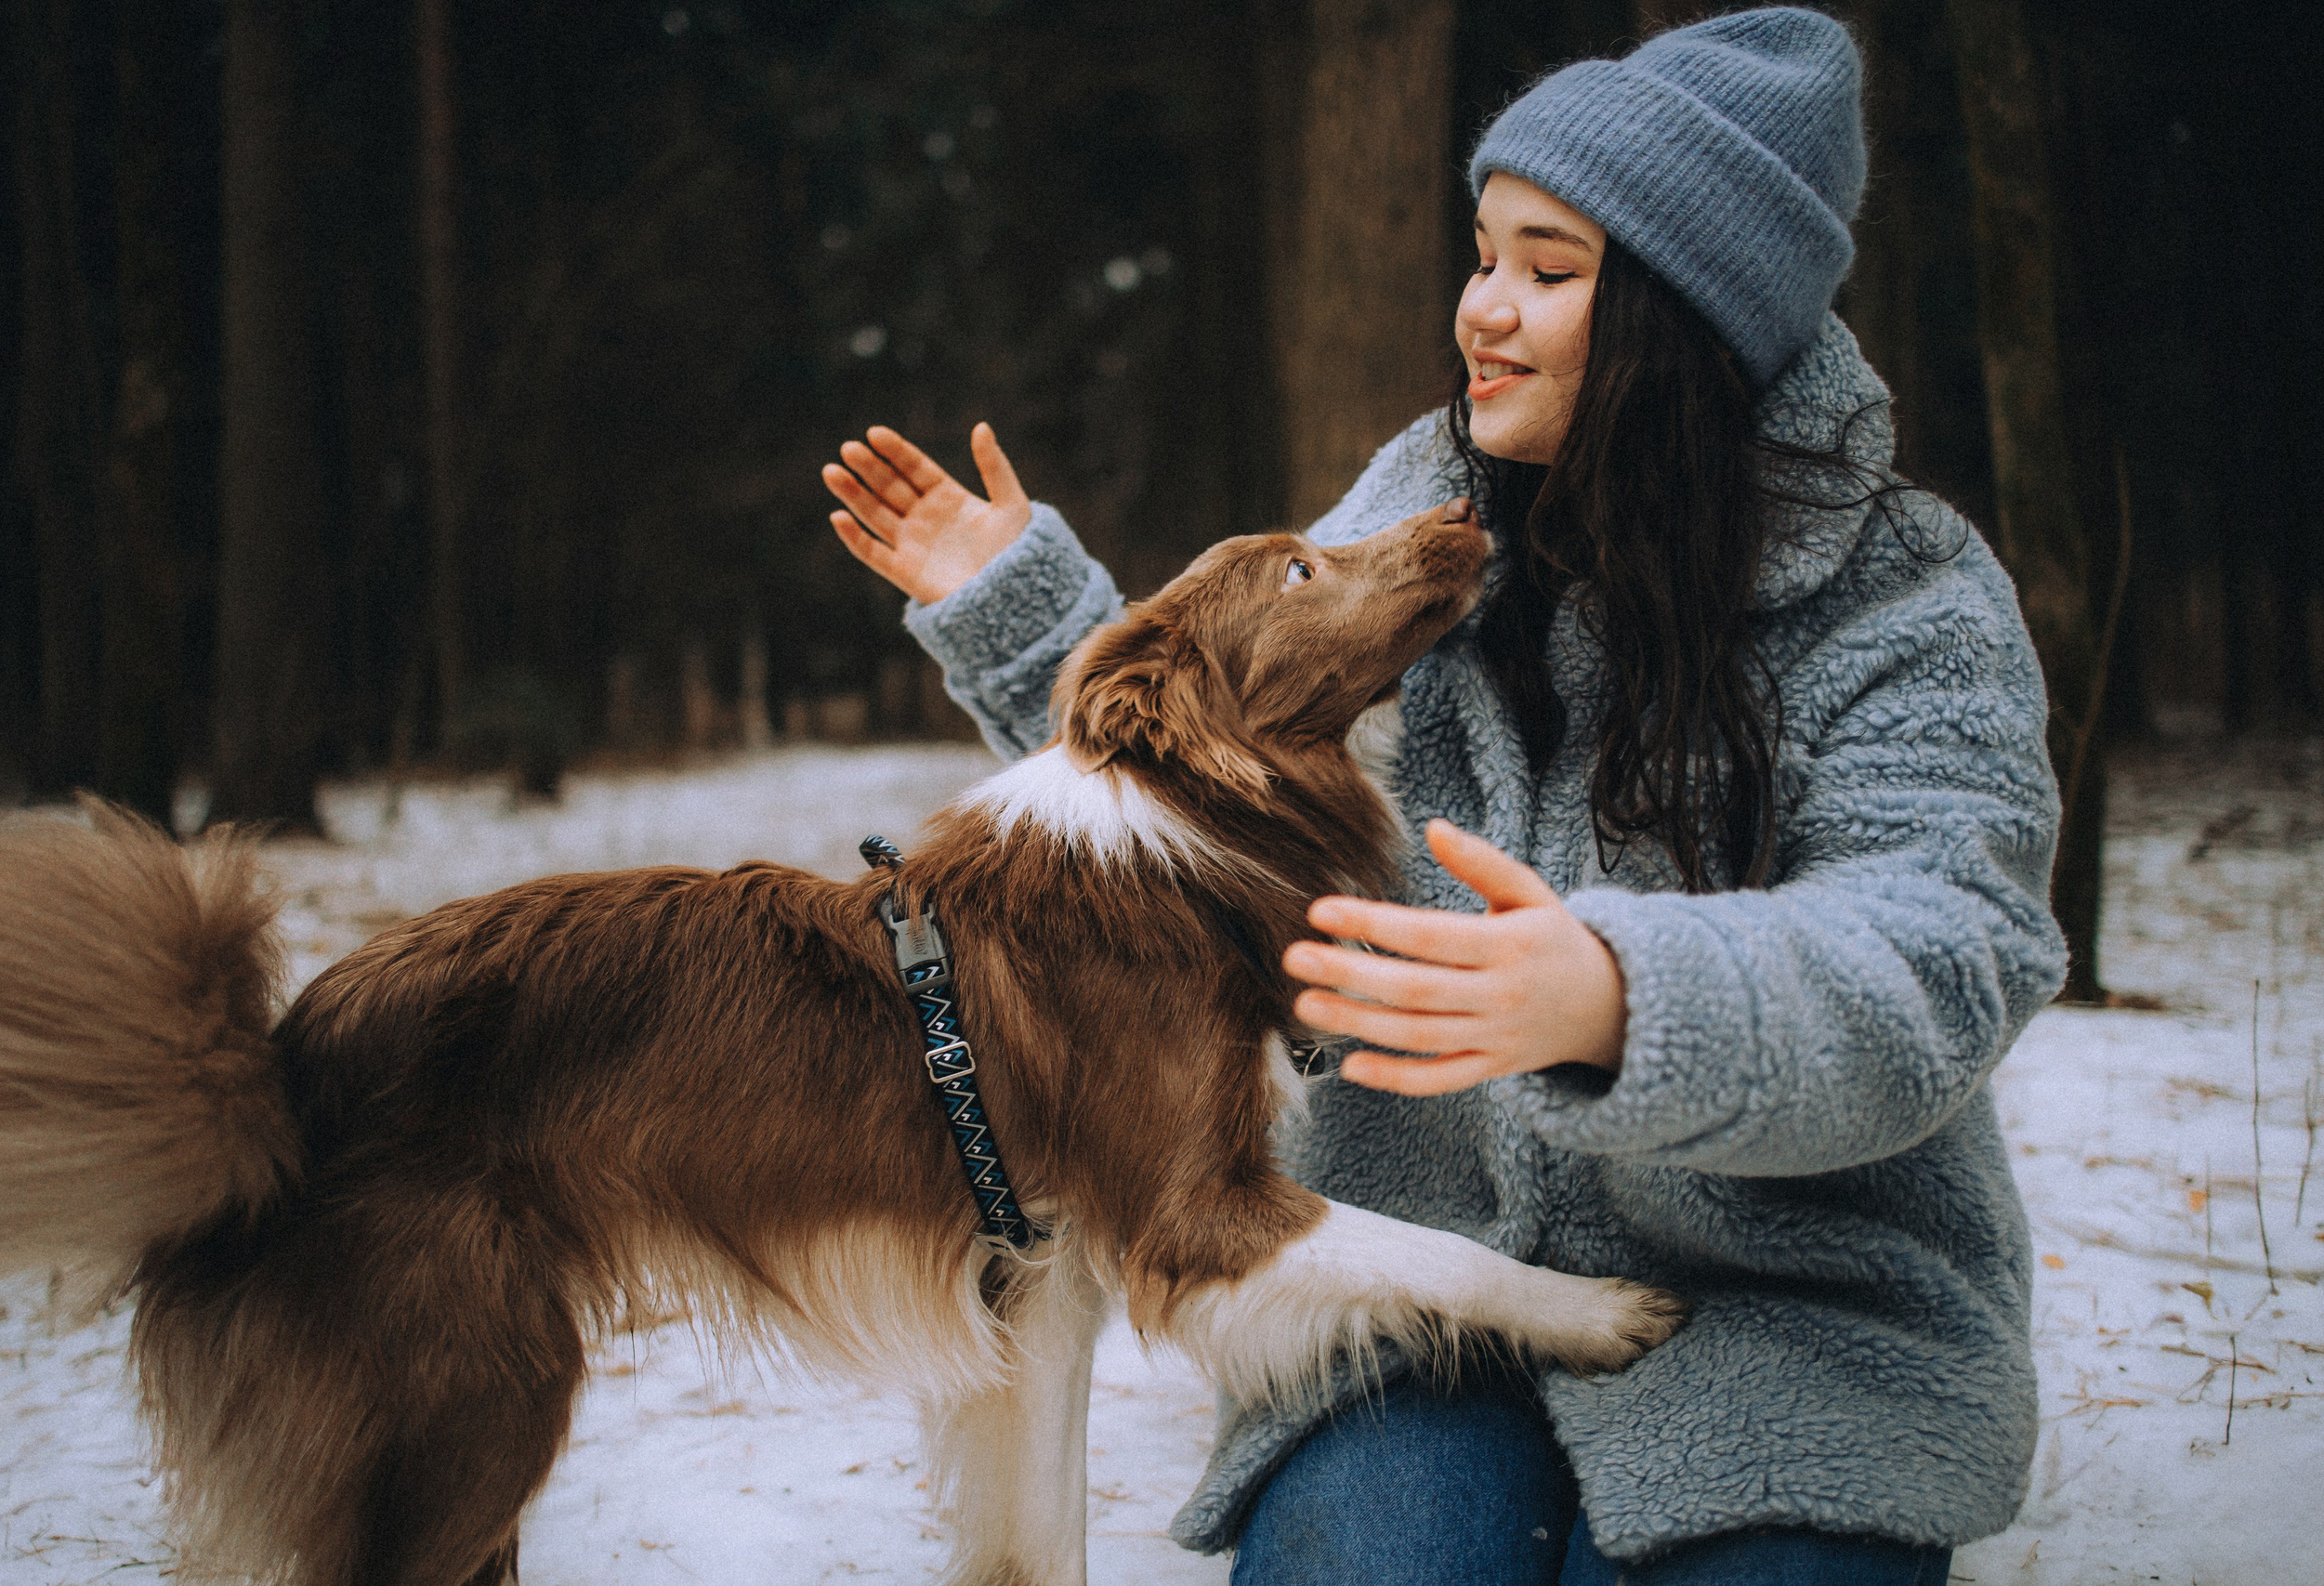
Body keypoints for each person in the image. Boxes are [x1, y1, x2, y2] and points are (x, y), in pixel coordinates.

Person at [820, 8, 2063, 1583]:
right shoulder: (1432, 501)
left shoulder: (1913, 604)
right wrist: (1026, 616)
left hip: (1794, 1332)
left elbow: (1942, 960)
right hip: (1420, 1301)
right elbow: (1234, 779)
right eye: (1482, 255)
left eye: (1548, 272)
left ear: (1691, 320)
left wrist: (1620, 997)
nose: (1481, 310)